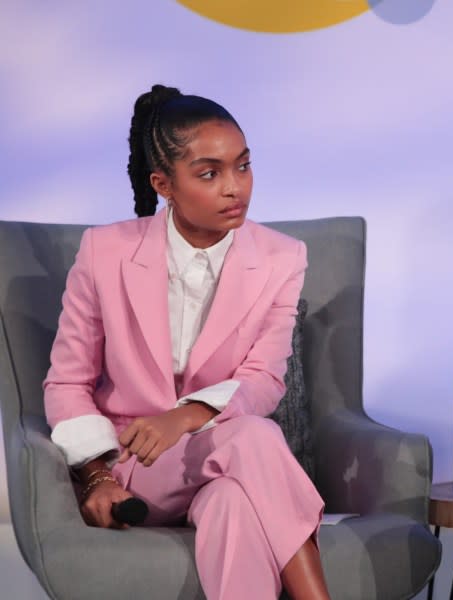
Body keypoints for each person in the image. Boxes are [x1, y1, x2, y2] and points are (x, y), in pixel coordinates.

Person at [43, 84, 331, 600]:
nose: (234, 188)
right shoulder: (104, 251)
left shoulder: (282, 257)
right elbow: (67, 382)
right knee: (257, 439)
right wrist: (95, 477)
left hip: (225, 463)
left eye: (243, 166)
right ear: (164, 184)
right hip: (137, 468)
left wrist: (186, 416)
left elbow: (263, 380)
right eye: (209, 173)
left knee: (233, 506)